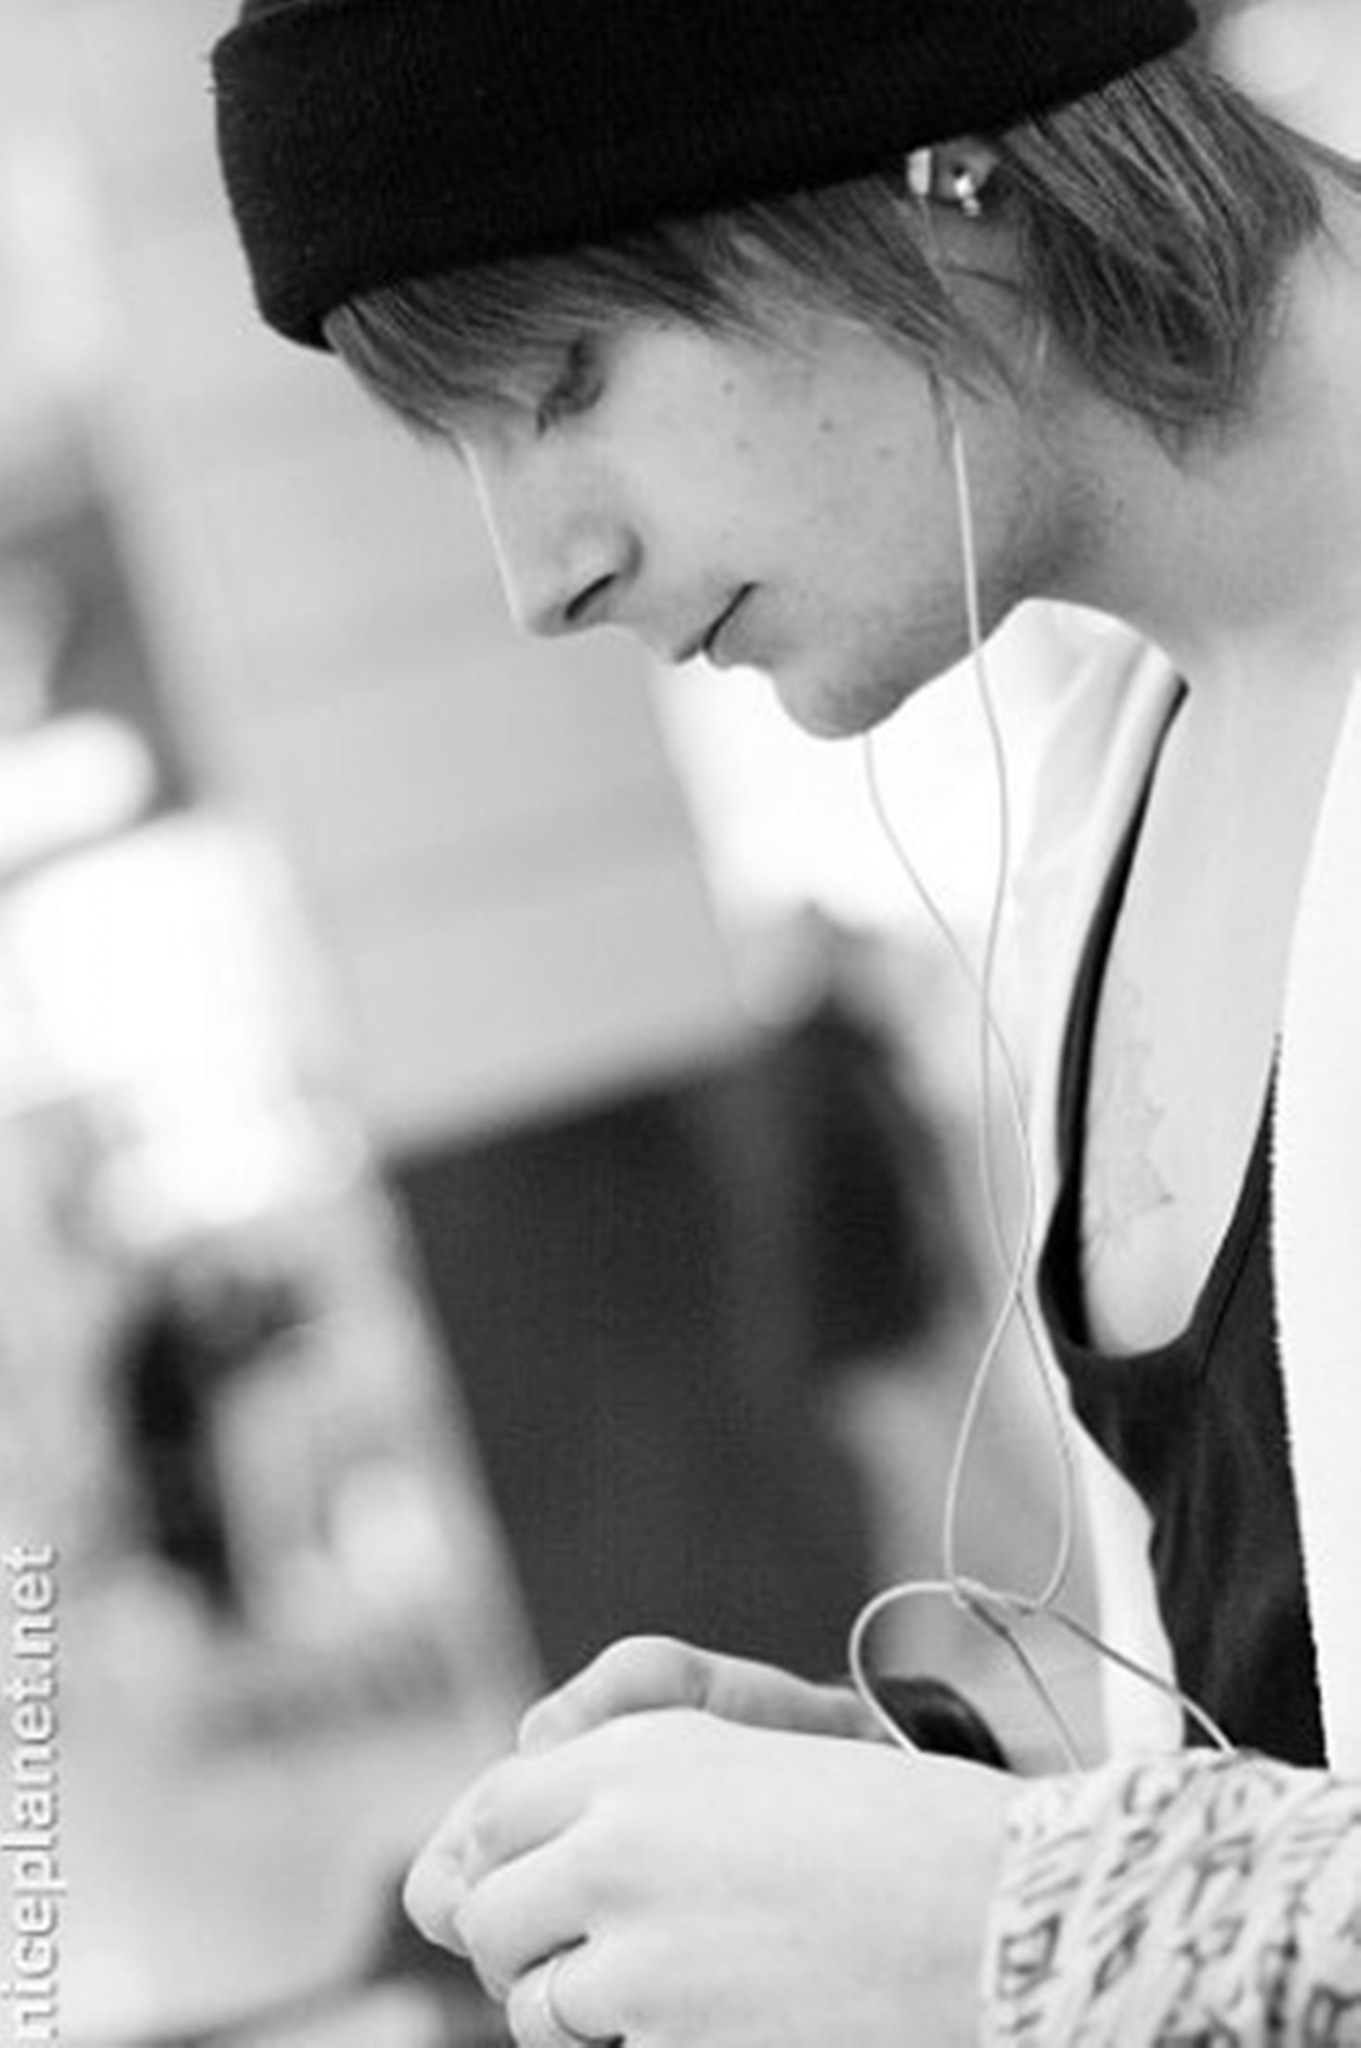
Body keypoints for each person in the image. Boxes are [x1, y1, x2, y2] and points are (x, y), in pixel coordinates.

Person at [210, 0, 1361, 2037]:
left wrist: (1024, 1913)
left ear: (938, 169)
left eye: (565, 380)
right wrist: (933, 1828)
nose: (538, 579)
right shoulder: (1107, 805)